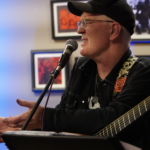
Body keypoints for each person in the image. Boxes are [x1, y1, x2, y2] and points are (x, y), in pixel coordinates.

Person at [1, 0, 150, 149]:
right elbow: (65, 122)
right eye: (80, 23)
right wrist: (18, 130)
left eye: (86, 22)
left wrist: (44, 117)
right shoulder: (82, 67)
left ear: (113, 31)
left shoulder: (143, 71)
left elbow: (114, 118)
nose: (80, 30)